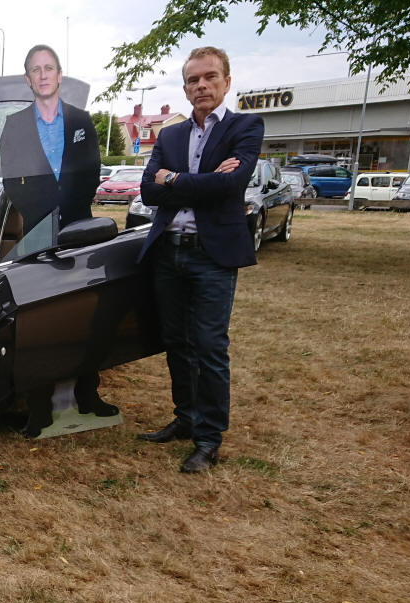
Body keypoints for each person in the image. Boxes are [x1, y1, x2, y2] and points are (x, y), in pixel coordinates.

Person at [136, 46, 264, 473]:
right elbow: (147, 191)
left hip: (212, 256)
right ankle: (186, 418)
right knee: (176, 342)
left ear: (226, 82)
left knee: (209, 346)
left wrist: (173, 178)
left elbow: (232, 186)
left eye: (210, 77)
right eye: (193, 80)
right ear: (186, 87)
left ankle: (209, 438)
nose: (201, 85)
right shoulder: (170, 135)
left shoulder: (245, 126)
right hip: (168, 253)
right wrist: (201, 181)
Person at [0, 44, 114, 438]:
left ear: (59, 75)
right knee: (38, 320)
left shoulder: (82, 120)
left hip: (80, 230)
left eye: (49, 68)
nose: (43, 74)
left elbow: (91, 173)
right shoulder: (15, 125)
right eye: (36, 69)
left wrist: (69, 217)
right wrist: (48, 219)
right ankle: (39, 408)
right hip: (37, 234)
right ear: (28, 79)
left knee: (85, 315)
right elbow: (12, 181)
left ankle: (88, 395)